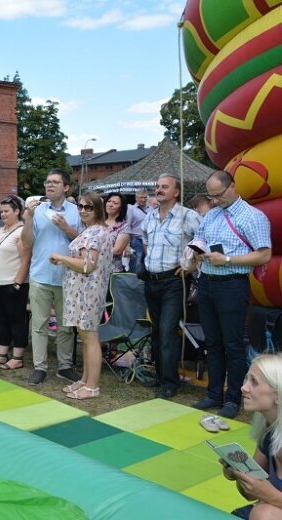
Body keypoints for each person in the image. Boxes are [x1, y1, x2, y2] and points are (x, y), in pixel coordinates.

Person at [193, 170, 271, 419]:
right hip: (206, 282)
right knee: (213, 342)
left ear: (233, 187)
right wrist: (196, 250)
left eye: (219, 195)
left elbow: (264, 254)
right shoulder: (212, 214)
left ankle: (233, 399)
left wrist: (226, 259)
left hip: (232, 284)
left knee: (233, 345)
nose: (215, 200)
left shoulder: (252, 217)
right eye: (211, 196)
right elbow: (200, 236)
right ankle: (214, 394)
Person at [141, 173, 201, 399]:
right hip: (152, 281)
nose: (159, 190)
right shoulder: (149, 216)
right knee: (156, 330)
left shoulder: (189, 216)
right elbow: (145, 242)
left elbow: (204, 243)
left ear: (176, 192)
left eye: (164, 187)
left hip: (174, 282)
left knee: (167, 331)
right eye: (157, 186)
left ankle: (170, 383)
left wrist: (192, 266)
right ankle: (160, 375)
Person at [21, 168, 81, 385]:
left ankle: (65, 366)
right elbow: (27, 242)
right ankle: (40, 367)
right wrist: (27, 217)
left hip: (68, 277)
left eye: (55, 182)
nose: (49, 185)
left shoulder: (76, 211)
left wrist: (66, 228)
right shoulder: (37, 210)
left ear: (66, 187)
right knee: (39, 324)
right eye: (47, 182)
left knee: (66, 325)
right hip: (40, 276)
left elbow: (85, 241)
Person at [50, 192, 112, 400]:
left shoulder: (95, 233)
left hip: (88, 292)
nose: (84, 210)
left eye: (89, 207)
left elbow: (87, 265)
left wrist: (62, 258)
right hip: (82, 292)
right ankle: (85, 380)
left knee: (90, 337)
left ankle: (92, 386)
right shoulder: (92, 231)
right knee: (85, 338)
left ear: (98, 210)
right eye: (81, 207)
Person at [221, 355, 282, 519]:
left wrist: (270, 495)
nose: (243, 387)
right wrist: (238, 474)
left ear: (278, 394)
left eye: (253, 382)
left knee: (263, 514)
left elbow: (264, 500)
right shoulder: (269, 431)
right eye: (246, 379)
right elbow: (250, 495)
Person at [0, 195, 31, 371]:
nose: (2, 215)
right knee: (1, 320)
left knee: (17, 321)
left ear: (17, 211)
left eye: (6, 211)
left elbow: (26, 260)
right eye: (1, 211)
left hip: (13, 283)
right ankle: (2, 354)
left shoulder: (21, 232)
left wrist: (17, 283)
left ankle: (17, 357)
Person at [104, 193, 131, 273]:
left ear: (121, 207)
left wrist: (94, 254)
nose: (110, 204)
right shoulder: (98, 222)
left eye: (115, 203)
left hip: (112, 270)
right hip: (95, 270)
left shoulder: (124, 226)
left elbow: (117, 250)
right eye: (109, 201)